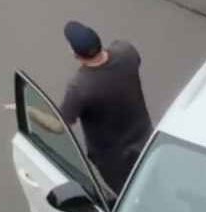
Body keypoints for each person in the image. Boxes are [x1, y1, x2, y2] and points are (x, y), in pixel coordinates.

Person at [27, 22, 152, 194]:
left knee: (130, 194)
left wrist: (28, 109)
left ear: (74, 53)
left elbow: (58, 126)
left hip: (113, 160)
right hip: (146, 138)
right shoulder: (126, 51)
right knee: (153, 176)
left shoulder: (80, 87)